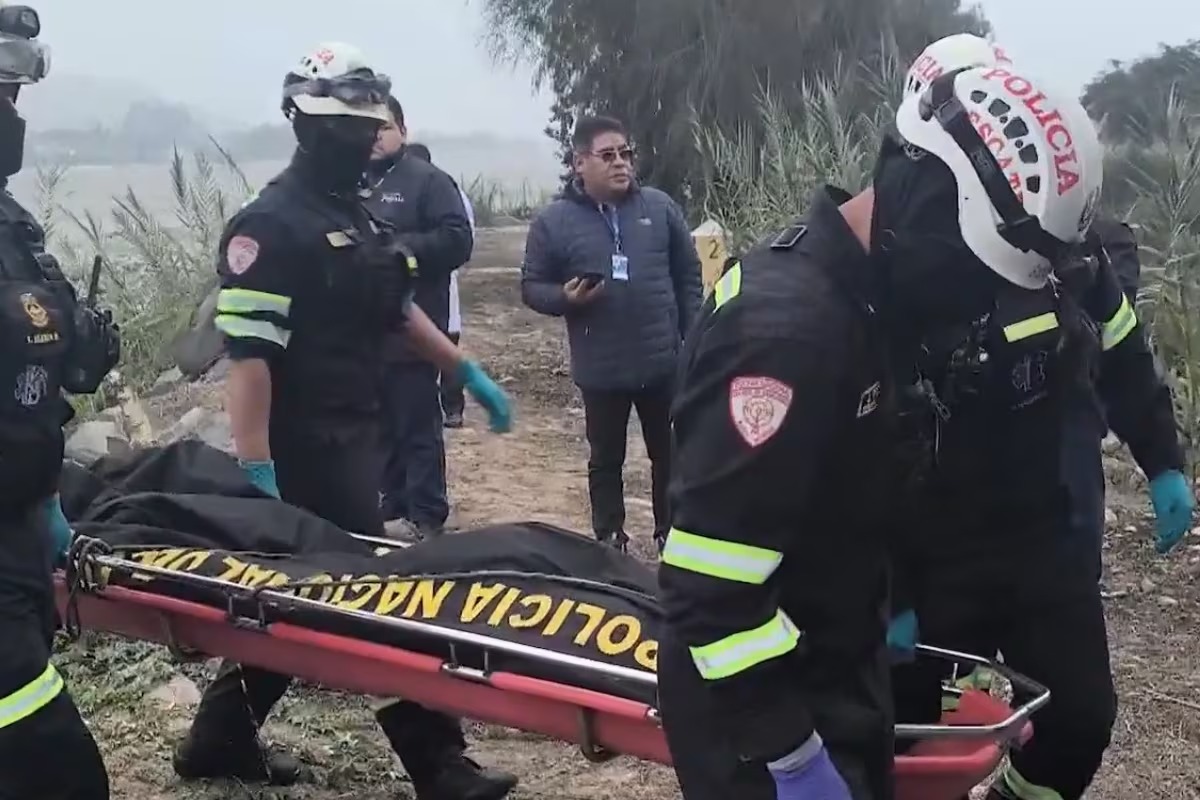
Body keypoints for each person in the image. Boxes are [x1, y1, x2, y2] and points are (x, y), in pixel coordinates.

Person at [657, 62, 1106, 800]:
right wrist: (793, 759)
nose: (974, 306)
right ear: (926, 200)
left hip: (836, 679)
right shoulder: (788, 337)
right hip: (761, 725)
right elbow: (711, 588)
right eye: (975, 275)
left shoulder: (866, 309)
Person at [172, 42, 517, 800]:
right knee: (369, 592)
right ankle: (440, 766)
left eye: (371, 129)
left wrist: (465, 372)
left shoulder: (351, 217)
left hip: (359, 431)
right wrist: (257, 469)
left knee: (303, 598)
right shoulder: (269, 226)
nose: (367, 141)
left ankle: (218, 737)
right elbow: (250, 360)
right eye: (353, 131)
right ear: (308, 127)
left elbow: (393, 314)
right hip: (302, 447)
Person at [886, 37, 1195, 800]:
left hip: (1043, 533)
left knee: (1081, 718)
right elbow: (857, 445)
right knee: (909, 737)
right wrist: (886, 591)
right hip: (930, 548)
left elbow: (1120, 346)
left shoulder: (1059, 235)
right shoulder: (894, 260)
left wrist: (1161, 459)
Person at [0, 3, 120, 797]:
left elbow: (59, 354)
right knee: (58, 768)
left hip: (16, 520)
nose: (9, 120)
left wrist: (82, 343)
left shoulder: (13, 227)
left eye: (13, 101)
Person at [521, 115, 703, 552]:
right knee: (606, 459)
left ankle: (670, 534)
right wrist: (565, 298)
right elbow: (531, 287)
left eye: (626, 154)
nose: (621, 163)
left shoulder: (659, 208)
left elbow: (688, 275)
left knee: (671, 454)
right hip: (601, 366)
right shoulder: (554, 222)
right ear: (579, 163)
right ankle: (609, 536)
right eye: (608, 156)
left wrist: (693, 339)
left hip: (662, 361)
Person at [367, 99, 474, 539]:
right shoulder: (351, 183)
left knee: (417, 426)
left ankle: (428, 515)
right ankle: (391, 508)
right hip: (363, 338)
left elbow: (457, 240)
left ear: (403, 131)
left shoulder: (429, 182)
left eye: (385, 127)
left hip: (415, 329)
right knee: (380, 429)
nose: (376, 137)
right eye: (368, 129)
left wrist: (403, 253)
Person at [407, 141, 470, 429]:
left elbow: (464, 240)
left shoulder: (446, 192)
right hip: (410, 294)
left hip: (440, 284)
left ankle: (453, 407)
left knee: (445, 345)